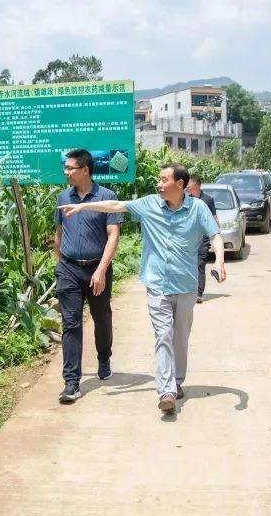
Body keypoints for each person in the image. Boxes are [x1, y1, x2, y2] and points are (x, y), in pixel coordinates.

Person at [60, 164, 225, 415]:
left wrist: (220, 262)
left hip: (186, 285)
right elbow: (117, 206)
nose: (158, 184)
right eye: (159, 179)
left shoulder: (198, 208)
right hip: (157, 283)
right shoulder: (149, 204)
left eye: (163, 179)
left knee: (180, 337)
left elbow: (215, 236)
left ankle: (177, 380)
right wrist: (84, 206)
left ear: (179, 185)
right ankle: (166, 390)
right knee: (163, 336)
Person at [53, 149, 122, 404]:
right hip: (69, 269)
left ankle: (104, 357)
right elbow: (58, 234)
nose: (66, 172)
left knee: (101, 318)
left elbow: (113, 234)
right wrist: (60, 265)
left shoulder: (106, 197)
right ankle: (71, 382)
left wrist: (102, 269)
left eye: (70, 168)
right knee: (71, 323)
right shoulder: (62, 197)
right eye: (66, 168)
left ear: (85, 170)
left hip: (97, 268)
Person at [186, 175, 219, 303]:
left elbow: (215, 218)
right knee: (189, 265)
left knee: (200, 265)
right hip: (188, 238)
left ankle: (198, 294)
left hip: (203, 238)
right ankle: (188, 291)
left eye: (189, 184)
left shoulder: (208, 200)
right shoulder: (186, 200)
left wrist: (216, 237)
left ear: (196, 185)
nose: (187, 187)